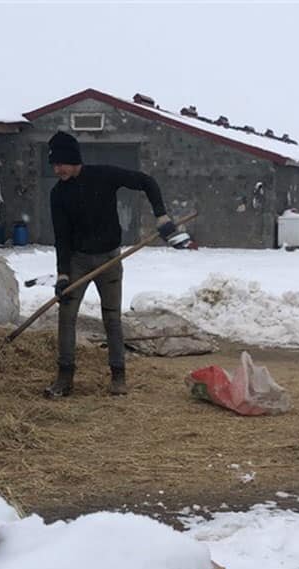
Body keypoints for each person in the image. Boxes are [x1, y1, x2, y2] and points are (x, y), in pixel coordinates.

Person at [44, 131, 193, 398]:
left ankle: (118, 376)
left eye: (60, 164)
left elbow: (147, 182)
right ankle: (64, 377)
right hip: (78, 260)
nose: (57, 170)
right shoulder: (58, 194)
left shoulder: (104, 175)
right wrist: (63, 274)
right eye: (54, 165)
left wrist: (161, 216)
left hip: (109, 259)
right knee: (66, 317)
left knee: (111, 317)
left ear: (73, 159)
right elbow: (61, 237)